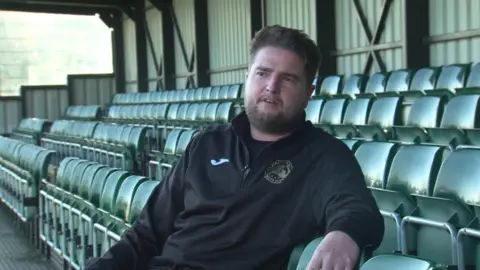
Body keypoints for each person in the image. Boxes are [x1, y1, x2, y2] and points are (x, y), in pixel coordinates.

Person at [86, 25, 384, 270]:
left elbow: (358, 208)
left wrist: (344, 234)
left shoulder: (323, 156)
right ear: (247, 79)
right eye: (263, 73)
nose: (272, 86)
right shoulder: (205, 144)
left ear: (308, 94)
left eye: (288, 78)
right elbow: (147, 233)